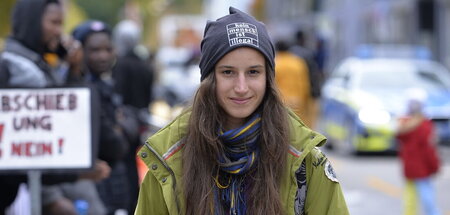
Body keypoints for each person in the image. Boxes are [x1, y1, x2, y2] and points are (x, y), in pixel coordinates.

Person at [135, 7, 349, 215]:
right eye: (228, 72)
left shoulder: (305, 161)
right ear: (210, 79)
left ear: (267, 78)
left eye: (253, 72)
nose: (241, 87)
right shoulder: (169, 158)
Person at [0, 0, 110, 214]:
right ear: (32, 22)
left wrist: (73, 68)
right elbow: (28, 155)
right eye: (54, 23)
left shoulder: (41, 63)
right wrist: (76, 173)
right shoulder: (12, 68)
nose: (60, 32)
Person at [73, 20, 140, 215]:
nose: (103, 56)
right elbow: (113, 143)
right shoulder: (80, 90)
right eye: (94, 50)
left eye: (108, 49)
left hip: (118, 182)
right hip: (96, 187)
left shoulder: (107, 85)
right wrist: (120, 128)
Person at [112, 19, 154, 214]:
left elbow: (118, 95)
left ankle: (130, 204)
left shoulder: (120, 65)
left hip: (124, 123)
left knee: (126, 163)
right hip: (140, 121)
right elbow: (149, 95)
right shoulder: (144, 65)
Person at [396, 89, 441, 215]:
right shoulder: (425, 125)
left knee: (410, 199)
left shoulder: (403, 124)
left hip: (411, 168)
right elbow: (429, 149)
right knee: (427, 198)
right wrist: (435, 166)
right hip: (422, 169)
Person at [275, 39, 312, 127]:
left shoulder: (276, 63)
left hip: (282, 101)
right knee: (298, 129)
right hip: (298, 101)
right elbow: (304, 83)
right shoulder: (298, 63)